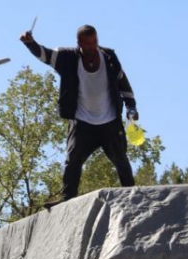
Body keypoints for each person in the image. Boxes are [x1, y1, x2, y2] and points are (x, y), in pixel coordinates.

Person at [20, 24, 139, 206]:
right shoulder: (67, 58)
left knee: (121, 159)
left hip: (109, 121)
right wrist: (30, 43)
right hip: (83, 123)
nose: (93, 47)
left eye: (95, 42)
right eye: (88, 44)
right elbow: (45, 55)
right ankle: (67, 202)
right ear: (79, 44)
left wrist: (131, 108)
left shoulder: (109, 58)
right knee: (72, 160)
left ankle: (132, 197)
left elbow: (124, 84)